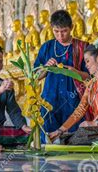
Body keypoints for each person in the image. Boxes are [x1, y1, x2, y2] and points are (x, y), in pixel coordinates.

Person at [34, 10, 91, 142]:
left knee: (73, 141)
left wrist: (75, 72)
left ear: (71, 27)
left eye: (64, 31)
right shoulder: (47, 47)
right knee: (48, 141)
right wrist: (46, 68)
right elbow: (36, 76)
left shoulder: (82, 47)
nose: (60, 35)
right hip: (49, 100)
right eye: (56, 31)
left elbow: (90, 77)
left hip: (74, 100)